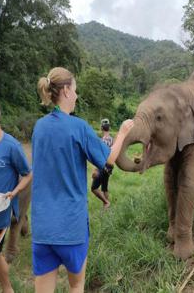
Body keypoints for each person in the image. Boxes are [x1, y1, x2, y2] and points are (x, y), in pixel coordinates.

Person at [32, 67, 133, 293]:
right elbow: (108, 159)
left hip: (42, 227)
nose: (77, 95)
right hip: (70, 228)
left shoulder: (39, 127)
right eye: (75, 90)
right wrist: (124, 132)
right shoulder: (79, 127)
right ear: (66, 90)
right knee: (77, 285)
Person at [0, 100, 32, 293]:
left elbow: (28, 174)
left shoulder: (11, 146)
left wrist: (14, 192)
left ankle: (7, 286)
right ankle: (8, 289)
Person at [91, 118, 113, 208]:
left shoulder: (100, 140)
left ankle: (106, 202)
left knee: (94, 188)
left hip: (102, 166)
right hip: (109, 166)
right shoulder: (112, 140)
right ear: (109, 128)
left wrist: (96, 169)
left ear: (101, 128)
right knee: (104, 187)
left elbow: (99, 156)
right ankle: (107, 208)